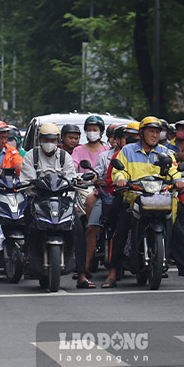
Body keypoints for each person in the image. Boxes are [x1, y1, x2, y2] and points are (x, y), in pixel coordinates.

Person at [106, 116, 184, 288]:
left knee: (176, 230)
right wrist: (120, 179)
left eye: (157, 132)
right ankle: (112, 273)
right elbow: (119, 171)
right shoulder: (127, 151)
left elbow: (174, 171)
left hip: (160, 199)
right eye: (151, 132)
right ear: (142, 133)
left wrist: (178, 181)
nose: (155, 135)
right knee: (121, 230)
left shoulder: (166, 152)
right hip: (135, 198)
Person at [72, 116, 110, 289]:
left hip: (105, 190)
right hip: (85, 188)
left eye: (95, 129)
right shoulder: (79, 150)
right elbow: (72, 169)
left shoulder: (107, 151)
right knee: (87, 225)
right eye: (89, 129)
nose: (92, 132)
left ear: (101, 132)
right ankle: (85, 265)